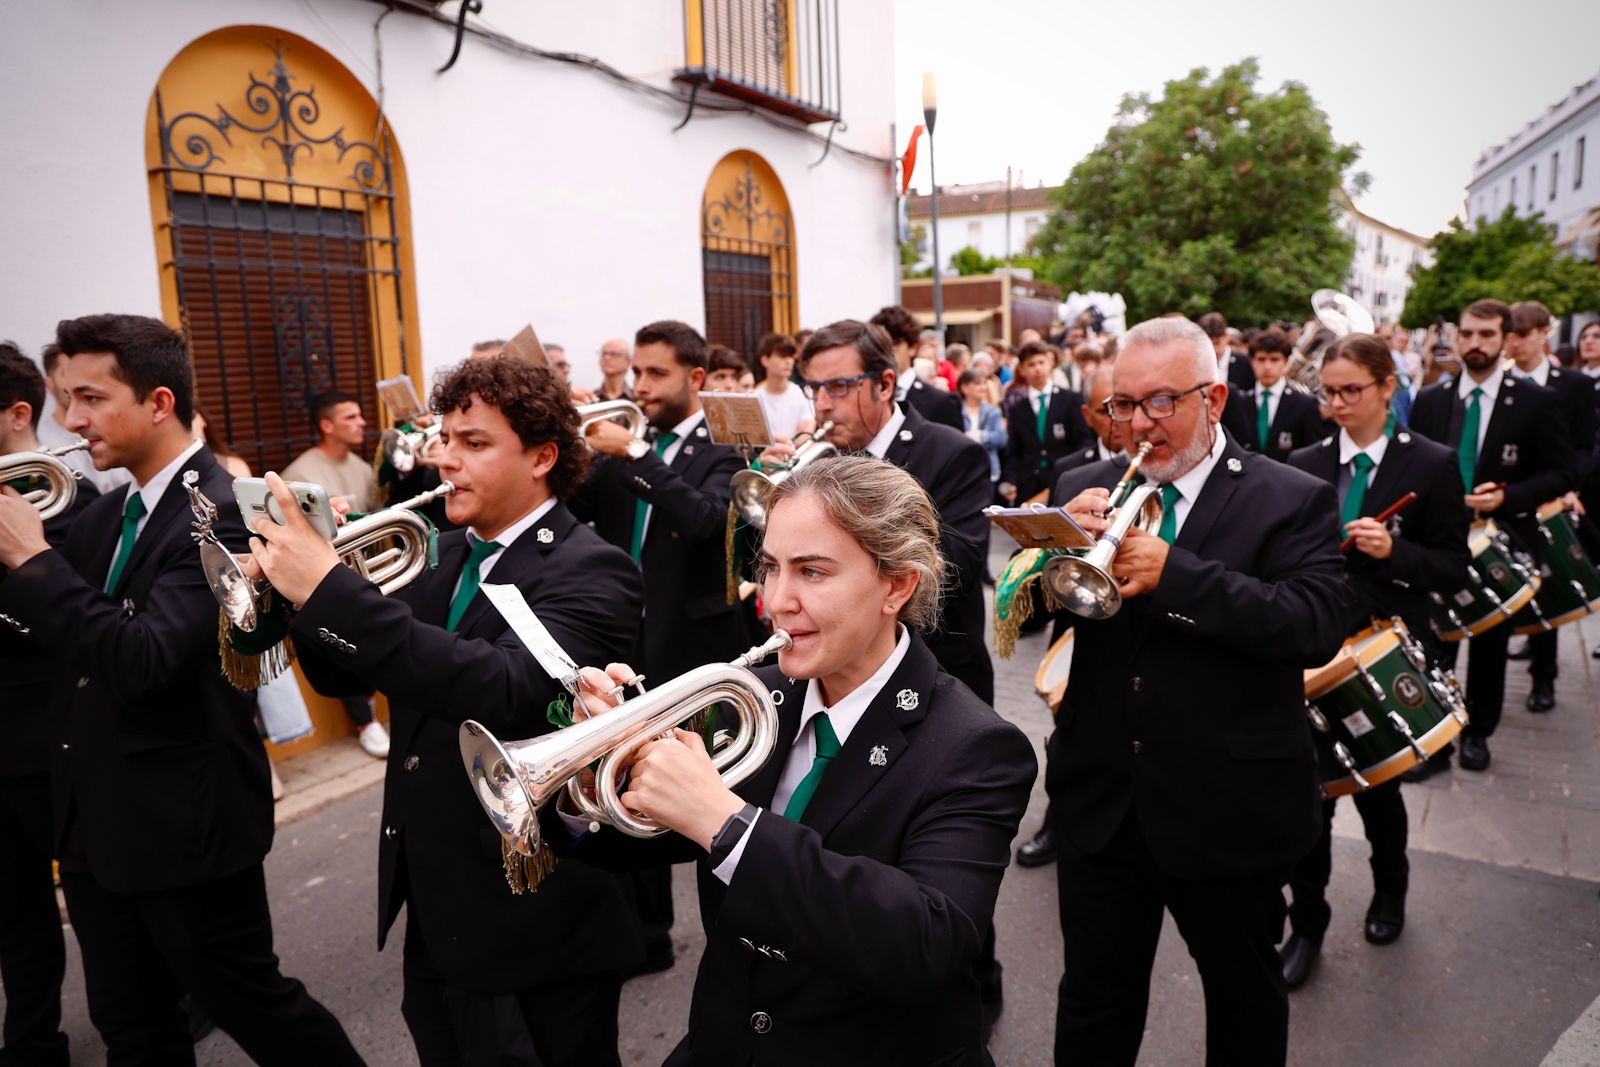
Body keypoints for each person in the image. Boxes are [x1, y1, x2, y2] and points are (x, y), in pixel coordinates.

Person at [556, 454, 1036, 1065]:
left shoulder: (976, 745)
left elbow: (927, 943)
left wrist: (725, 823)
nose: (777, 600)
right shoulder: (759, 696)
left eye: (812, 572)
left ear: (898, 585)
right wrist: (600, 771)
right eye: (771, 567)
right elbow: (650, 838)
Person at [249, 354, 646, 1066]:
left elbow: (503, 686)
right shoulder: (442, 552)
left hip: (538, 923)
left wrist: (335, 590)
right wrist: (297, 591)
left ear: (542, 457)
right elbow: (355, 662)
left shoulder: (594, 568)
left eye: (473, 442)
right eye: (445, 438)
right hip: (437, 905)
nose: (444, 458)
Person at [0, 313, 362, 1066]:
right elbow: (69, 641)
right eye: (69, 399)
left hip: (185, 825)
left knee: (258, 1009)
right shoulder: (106, 516)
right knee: (134, 1026)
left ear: (159, 402)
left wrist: (33, 563)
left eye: (92, 398)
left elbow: (144, 654)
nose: (73, 420)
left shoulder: (227, 509)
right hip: (95, 826)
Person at [1050, 316, 1351, 1065]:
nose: (1138, 425)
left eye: (1161, 402)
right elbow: (1043, 608)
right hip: (1102, 802)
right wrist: (1049, 546)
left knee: (1244, 1000)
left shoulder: (1292, 496)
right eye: (1122, 404)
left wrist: (1175, 574)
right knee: (1093, 1001)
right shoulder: (1078, 487)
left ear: (1214, 398)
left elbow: (1314, 623)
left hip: (1228, 806)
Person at [1281, 333, 1469, 990]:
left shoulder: (1433, 464)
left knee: (1379, 788)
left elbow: (1453, 565)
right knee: (1309, 799)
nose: (1335, 404)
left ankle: (1391, 890)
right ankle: (1306, 923)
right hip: (1310, 653)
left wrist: (1395, 552)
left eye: (1350, 391)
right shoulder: (1304, 460)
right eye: (1327, 392)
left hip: (1382, 651)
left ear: (1388, 387)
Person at [571, 319, 750, 976]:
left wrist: (635, 457)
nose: (638, 385)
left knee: (707, 788)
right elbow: (569, 498)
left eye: (654, 374)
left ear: (695, 379)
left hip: (695, 647)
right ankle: (648, 935)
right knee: (629, 780)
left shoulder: (725, 446)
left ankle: (730, 945)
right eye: (635, 372)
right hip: (625, 640)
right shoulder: (624, 447)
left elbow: (703, 520)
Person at [1406, 299, 1574, 775]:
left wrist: (1507, 497)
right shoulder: (1431, 398)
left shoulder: (1537, 401)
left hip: (1502, 542)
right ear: (1457, 337)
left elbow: (1561, 473)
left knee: (1489, 646)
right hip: (1438, 543)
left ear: (1505, 339)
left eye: (1486, 335)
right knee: (1433, 643)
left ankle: (1477, 735)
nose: (1475, 343)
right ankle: (1435, 742)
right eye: (1468, 334)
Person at [0, 343, 99, 1067]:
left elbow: (77, 624)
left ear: (16, 414)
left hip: (51, 737)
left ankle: (153, 1012)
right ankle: (34, 1044)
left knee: (99, 900)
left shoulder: (76, 504)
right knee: (15, 911)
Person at [283, 390, 390, 758]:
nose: (362, 423)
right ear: (326, 425)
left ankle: (372, 713)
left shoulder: (361, 468)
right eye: (350, 417)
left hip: (366, 575)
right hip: (325, 583)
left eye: (360, 415)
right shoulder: (300, 473)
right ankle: (365, 721)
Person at [1503, 300, 1597, 712]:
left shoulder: (1572, 384)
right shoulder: (1500, 382)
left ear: (1544, 332)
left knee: (1547, 586)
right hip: (1506, 499)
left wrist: (1566, 487)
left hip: (1550, 498)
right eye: (1510, 335)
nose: (1514, 344)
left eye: (1522, 335)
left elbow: (1582, 445)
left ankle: (1545, 678)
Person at [998, 340, 1088, 503]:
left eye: (1041, 362)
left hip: (1064, 482)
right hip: (1029, 487)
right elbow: (1014, 451)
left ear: (1050, 364)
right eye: (1031, 364)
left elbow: (1084, 441)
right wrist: (1010, 480)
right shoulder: (1018, 408)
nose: (1037, 368)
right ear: (1022, 370)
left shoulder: (1070, 399)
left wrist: (1075, 473)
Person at [36, 342, 130, 494]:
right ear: (49, 385)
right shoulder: (39, 440)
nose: (78, 380)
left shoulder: (120, 426)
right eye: (66, 373)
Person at [870, 305, 963, 430]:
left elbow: (952, 448)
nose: (886, 352)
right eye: (880, 345)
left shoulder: (941, 402)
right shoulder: (867, 396)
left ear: (913, 347)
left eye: (894, 344)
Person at [1239, 332, 1327, 462]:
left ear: (1286, 362)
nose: (1267, 367)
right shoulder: (1240, 401)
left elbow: (1313, 453)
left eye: (1274, 359)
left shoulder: (1305, 404)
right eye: (1261, 359)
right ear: (1252, 362)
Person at [754, 332, 815, 440]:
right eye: (782, 356)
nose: (789, 361)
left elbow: (807, 434)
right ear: (765, 360)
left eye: (791, 356)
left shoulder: (802, 395)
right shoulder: (755, 397)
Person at [957, 367, 1005, 486]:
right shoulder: (956, 410)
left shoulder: (992, 411)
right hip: (962, 470)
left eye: (984, 383)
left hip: (988, 469)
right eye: (977, 384)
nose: (983, 387)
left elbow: (1001, 438)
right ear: (964, 387)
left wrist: (977, 436)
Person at [1198, 311, 1255, 391]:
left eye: (1217, 343)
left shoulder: (1244, 361)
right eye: (1208, 345)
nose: (1213, 349)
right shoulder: (1197, 363)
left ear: (1226, 337)